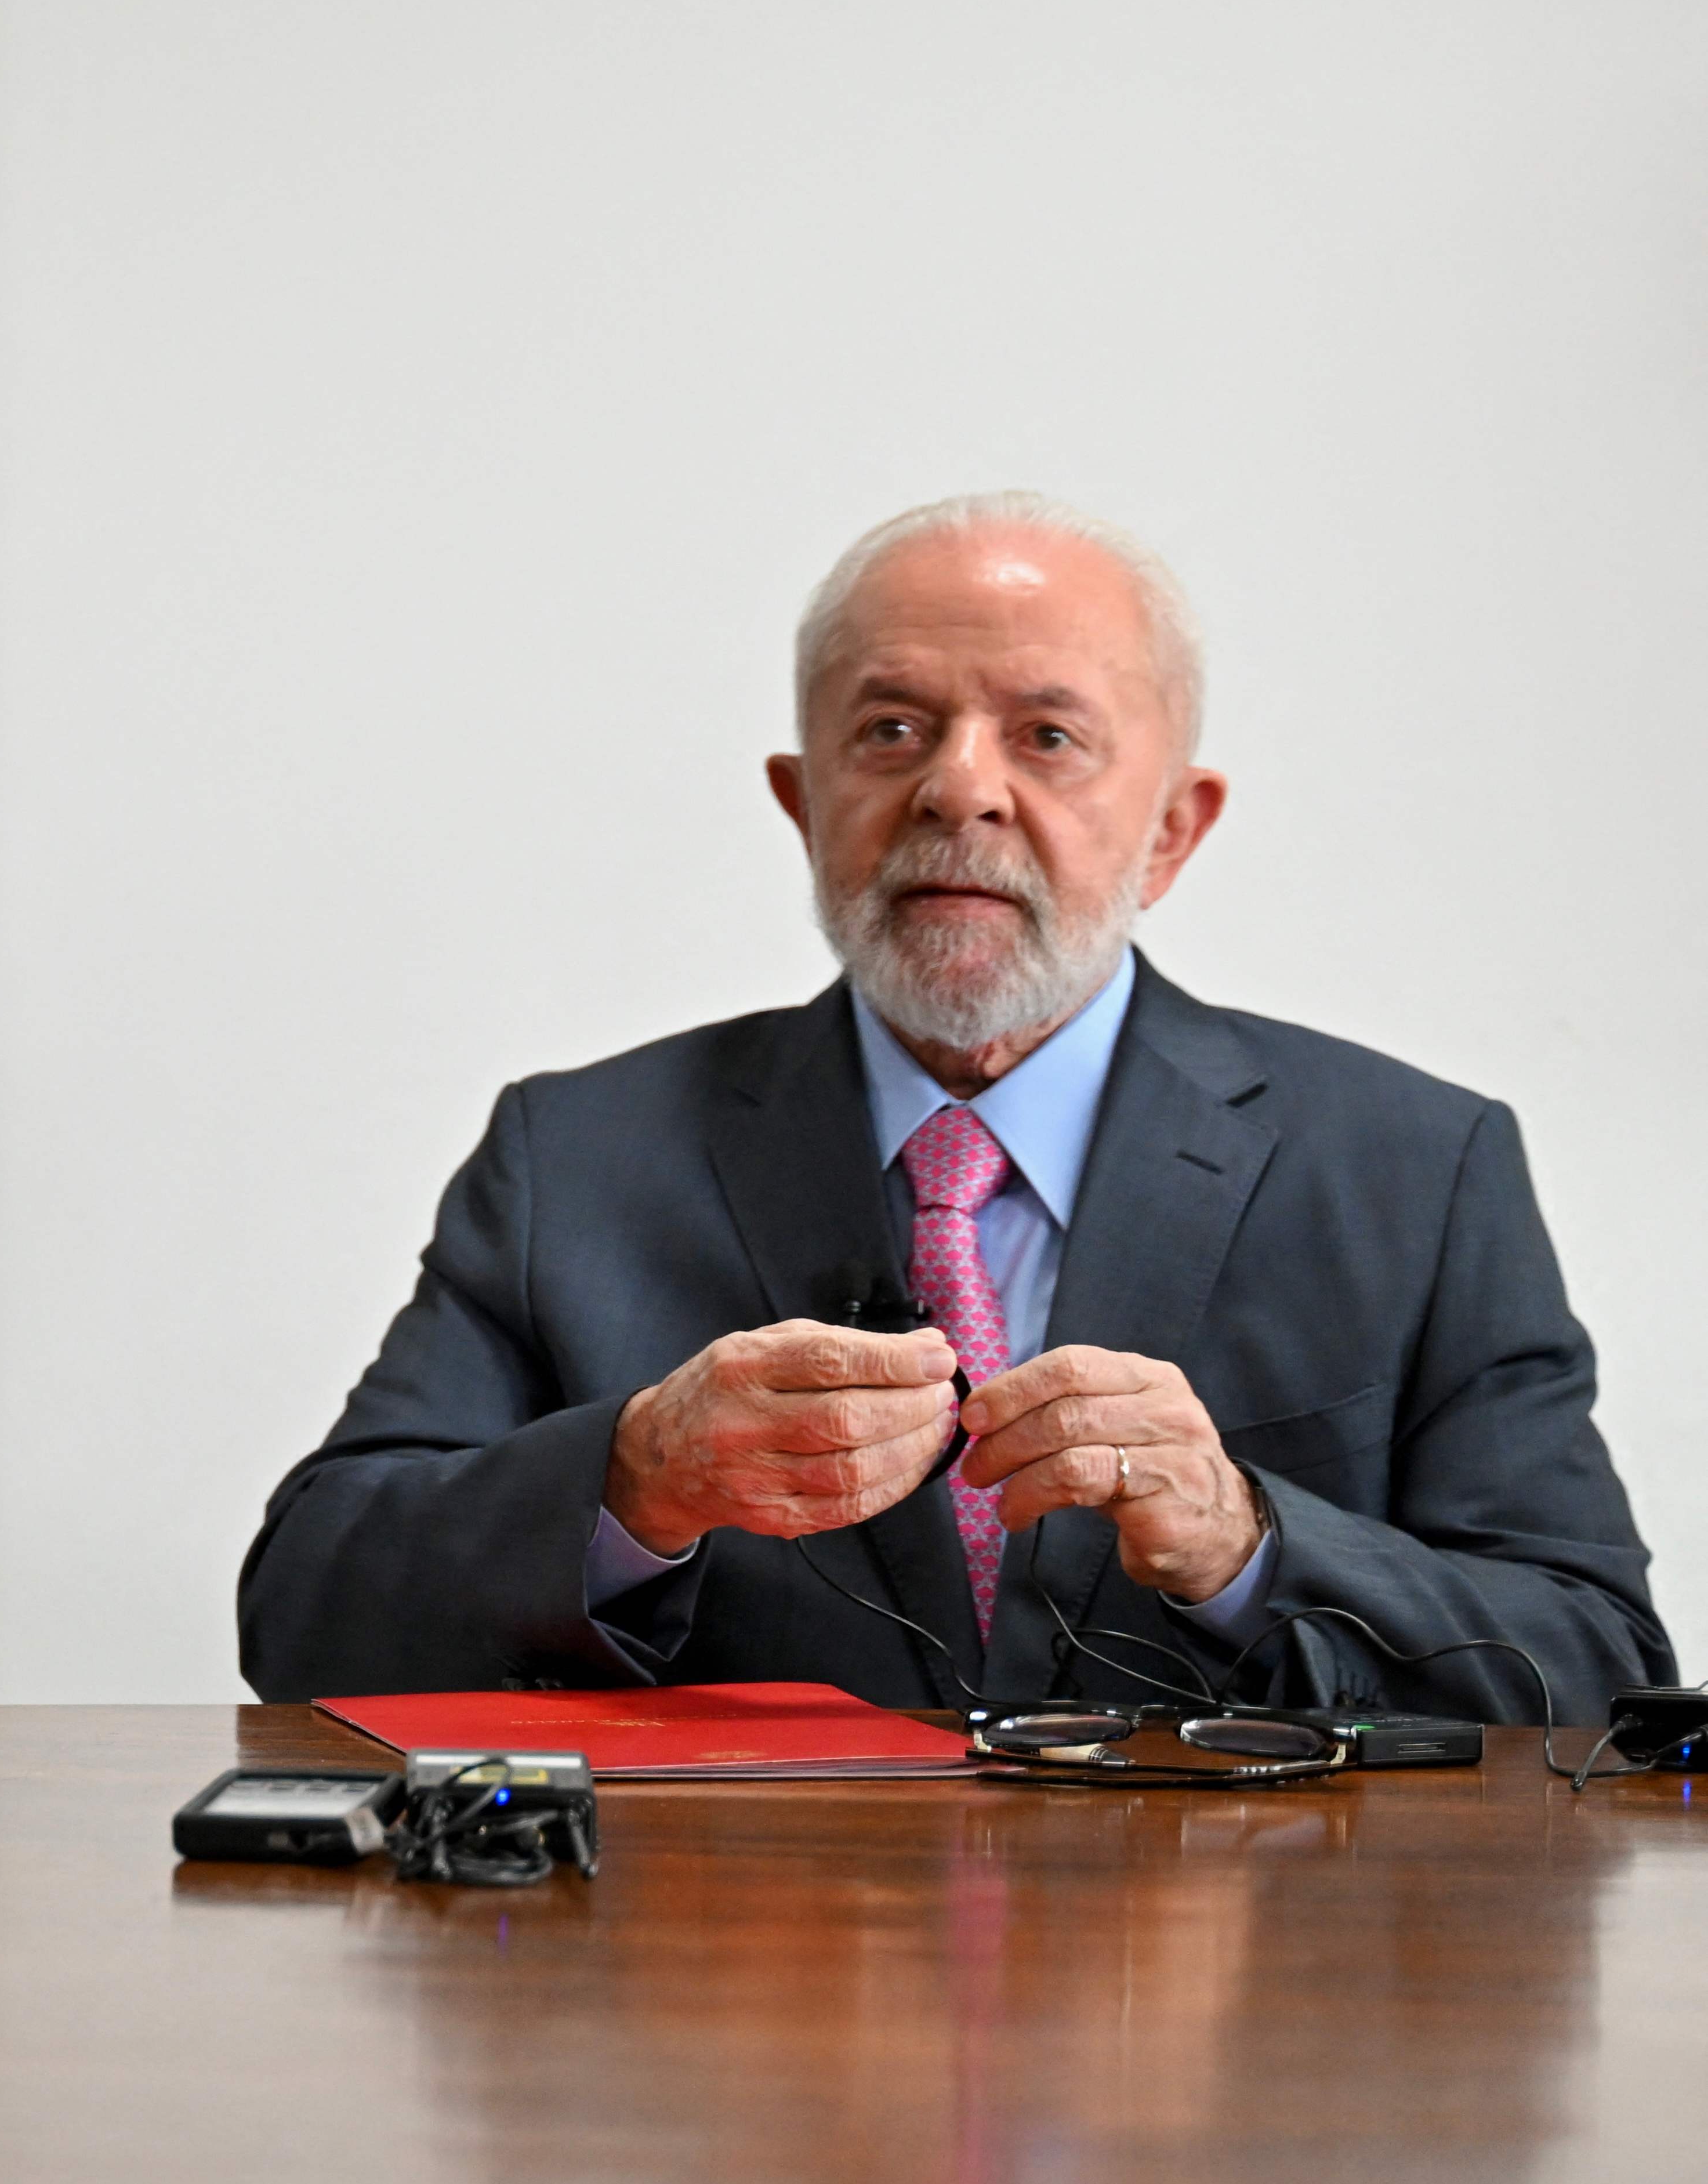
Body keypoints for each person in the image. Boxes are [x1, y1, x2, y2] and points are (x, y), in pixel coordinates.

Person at [240, 495, 1670, 1720]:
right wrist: (632, 1483)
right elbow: (303, 1617)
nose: (957, 790)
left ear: (1172, 826)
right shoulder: (575, 1157)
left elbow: (1599, 1672)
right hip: (735, 1991)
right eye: (890, 729)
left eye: (1045, 736)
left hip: (1234, 2001)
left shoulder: (1416, 1170)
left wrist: (1245, 1543)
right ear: (802, 804)